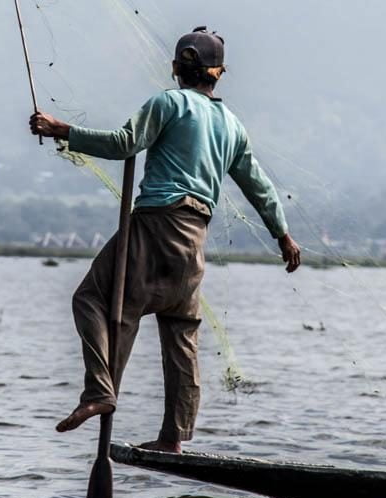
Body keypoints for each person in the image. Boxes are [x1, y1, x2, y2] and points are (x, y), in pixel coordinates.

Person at [30, 26, 300, 452]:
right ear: (219, 74)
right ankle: (174, 437)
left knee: (93, 298)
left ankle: (100, 391)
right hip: (193, 243)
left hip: (158, 224)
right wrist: (283, 236)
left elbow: (125, 144)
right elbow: (260, 187)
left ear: (177, 67)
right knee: (181, 330)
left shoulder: (168, 103)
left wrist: (61, 129)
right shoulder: (232, 126)